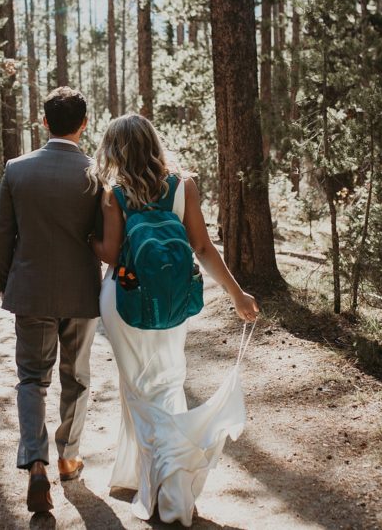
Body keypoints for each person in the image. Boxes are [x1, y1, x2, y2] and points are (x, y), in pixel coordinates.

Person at [88, 113, 260, 527]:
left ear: (114, 150)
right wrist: (237, 294)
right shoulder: (183, 186)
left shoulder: (114, 193)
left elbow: (111, 253)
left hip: (124, 299)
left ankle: (172, 488)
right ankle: (146, 475)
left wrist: (87, 240)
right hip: (172, 301)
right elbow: (202, 247)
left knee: (138, 392)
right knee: (165, 385)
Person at [0, 87, 102, 514]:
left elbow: (4, 236)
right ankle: (69, 457)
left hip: (31, 291)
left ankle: (36, 462)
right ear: (84, 124)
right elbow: (103, 237)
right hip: (81, 294)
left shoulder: (17, 169)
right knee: (76, 377)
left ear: (43, 123)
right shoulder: (97, 173)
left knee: (32, 379)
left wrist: (10, 284)